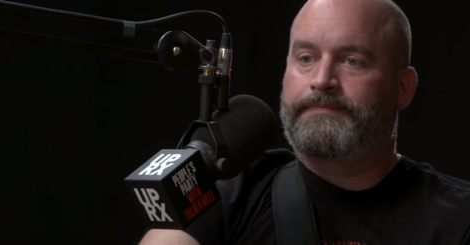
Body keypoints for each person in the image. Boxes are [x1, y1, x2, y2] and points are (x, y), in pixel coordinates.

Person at [139, 0, 470, 244]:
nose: (322, 79)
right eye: (307, 58)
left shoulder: (459, 219)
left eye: (352, 60)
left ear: (402, 88)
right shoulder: (226, 194)